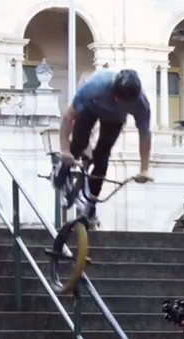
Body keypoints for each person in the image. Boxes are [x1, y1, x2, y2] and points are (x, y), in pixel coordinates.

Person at [53, 68, 153, 226]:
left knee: (102, 156)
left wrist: (145, 168)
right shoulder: (96, 86)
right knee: (79, 142)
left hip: (114, 120)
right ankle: (63, 167)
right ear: (113, 92)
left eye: (126, 104)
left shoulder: (141, 103)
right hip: (90, 109)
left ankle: (91, 204)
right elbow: (68, 116)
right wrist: (65, 150)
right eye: (118, 99)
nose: (120, 104)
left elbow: (145, 134)